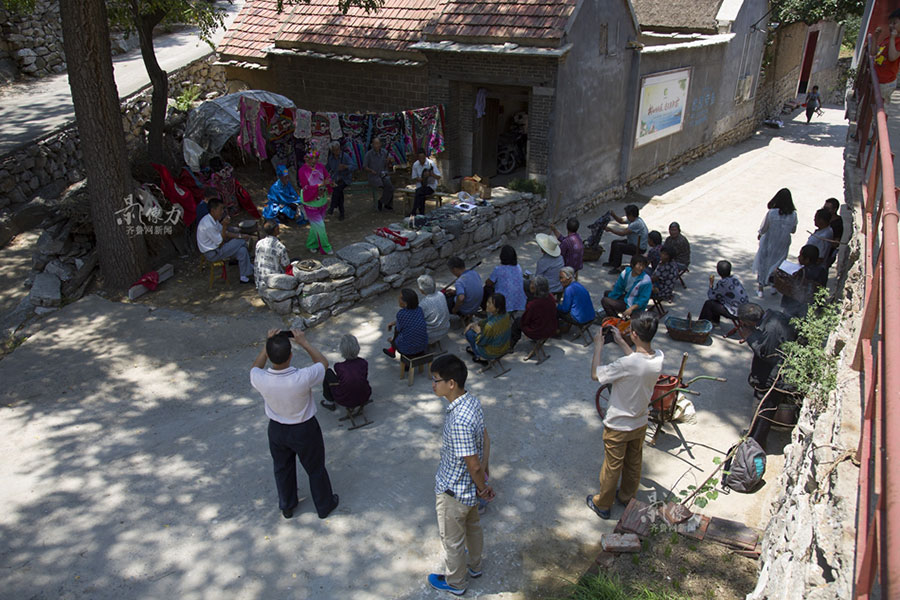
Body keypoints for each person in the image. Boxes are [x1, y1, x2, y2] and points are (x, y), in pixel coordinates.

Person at [250, 329, 339, 519]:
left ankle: (287, 505)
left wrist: (268, 346)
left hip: (276, 429)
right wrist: (304, 343)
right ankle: (324, 505)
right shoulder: (302, 377)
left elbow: (255, 367)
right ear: (291, 356)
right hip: (304, 428)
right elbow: (323, 363)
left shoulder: (261, 378)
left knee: (282, 468)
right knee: (315, 468)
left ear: (270, 355)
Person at [427, 354, 494, 596]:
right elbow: (485, 438)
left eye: (436, 380)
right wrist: (483, 482)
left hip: (453, 491)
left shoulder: (458, 421)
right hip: (471, 490)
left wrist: (483, 487)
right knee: (473, 527)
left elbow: (472, 464)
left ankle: (456, 582)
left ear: (451, 383)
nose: (433, 385)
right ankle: (475, 565)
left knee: (453, 541)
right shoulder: (472, 402)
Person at [586, 314, 664, 519]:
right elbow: (637, 361)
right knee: (633, 461)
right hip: (639, 421)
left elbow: (596, 374)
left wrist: (598, 346)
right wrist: (621, 342)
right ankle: (627, 496)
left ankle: (602, 504)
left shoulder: (625, 364)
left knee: (612, 466)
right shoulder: (658, 358)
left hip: (618, 425)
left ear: (635, 334)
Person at [737, 303, 797, 450]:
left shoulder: (770, 330)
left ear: (750, 322)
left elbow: (768, 355)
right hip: (779, 371)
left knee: (762, 410)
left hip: (774, 378)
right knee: (764, 410)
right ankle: (754, 434)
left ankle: (756, 443)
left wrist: (750, 337)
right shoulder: (774, 316)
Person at [196, 198, 254, 284]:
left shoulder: (212, 220)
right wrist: (225, 226)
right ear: (213, 210)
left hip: (217, 248)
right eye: (221, 209)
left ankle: (243, 277)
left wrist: (240, 235)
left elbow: (226, 233)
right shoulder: (208, 225)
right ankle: (248, 264)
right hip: (213, 253)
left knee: (242, 250)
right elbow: (221, 242)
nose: (222, 211)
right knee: (241, 242)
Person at [753, 188, 798, 297]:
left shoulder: (772, 213)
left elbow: (764, 227)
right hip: (782, 244)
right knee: (778, 265)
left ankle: (760, 288)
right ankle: (774, 286)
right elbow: (793, 230)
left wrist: (760, 234)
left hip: (769, 242)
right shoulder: (793, 215)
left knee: (763, 263)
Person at [320, 334, 371, 413]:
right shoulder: (363, 362)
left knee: (328, 372)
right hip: (365, 395)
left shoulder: (339, 366)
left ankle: (329, 401)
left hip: (345, 399)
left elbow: (341, 380)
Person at [298, 149, 334, 255]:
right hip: (310, 203)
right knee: (320, 225)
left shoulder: (321, 166)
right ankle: (326, 247)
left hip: (322, 201)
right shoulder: (302, 171)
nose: (314, 160)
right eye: (311, 158)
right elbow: (306, 187)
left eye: (316, 158)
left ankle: (311, 244)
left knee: (316, 225)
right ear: (306, 158)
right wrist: (322, 184)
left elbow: (327, 177)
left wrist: (330, 183)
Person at [775, 245, 827, 317]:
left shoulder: (803, 272)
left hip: (796, 304)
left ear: (807, 260)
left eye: (801, 255)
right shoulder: (822, 270)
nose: (798, 257)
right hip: (812, 304)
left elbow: (793, 286)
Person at [464, 294, 512, 365]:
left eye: (490, 303)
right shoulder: (506, 315)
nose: (487, 304)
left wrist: (478, 332)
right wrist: (474, 323)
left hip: (492, 352)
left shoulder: (490, 326)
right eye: (487, 302)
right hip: (504, 346)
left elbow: (481, 341)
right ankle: (475, 351)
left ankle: (480, 356)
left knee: (469, 334)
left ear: (497, 308)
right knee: (475, 330)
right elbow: (487, 320)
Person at [601, 255, 652, 319]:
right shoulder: (626, 273)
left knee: (605, 301)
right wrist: (612, 297)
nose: (641, 268)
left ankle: (615, 319)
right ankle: (612, 315)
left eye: (643, 266)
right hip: (626, 297)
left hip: (633, 303)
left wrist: (630, 309)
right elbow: (618, 288)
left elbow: (643, 300)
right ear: (633, 265)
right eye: (639, 265)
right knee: (607, 294)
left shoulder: (646, 280)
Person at [699, 260, 749, 325]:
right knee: (719, 298)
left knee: (709, 303)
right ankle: (715, 321)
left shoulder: (723, 283)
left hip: (736, 312)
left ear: (718, 272)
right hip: (745, 308)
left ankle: (701, 325)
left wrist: (711, 284)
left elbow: (711, 296)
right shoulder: (734, 278)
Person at [384, 288, 429, 358]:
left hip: (407, 350)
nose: (398, 300)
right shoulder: (419, 310)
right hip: (423, 346)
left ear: (405, 303)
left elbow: (398, 329)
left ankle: (393, 347)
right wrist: (393, 323)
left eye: (400, 298)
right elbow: (409, 321)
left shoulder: (401, 314)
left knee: (397, 331)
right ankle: (393, 346)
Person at [604, 204, 648, 273]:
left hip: (638, 247)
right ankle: (612, 262)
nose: (627, 216)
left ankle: (617, 267)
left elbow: (622, 233)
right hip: (633, 242)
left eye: (627, 215)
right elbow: (621, 221)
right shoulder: (633, 219)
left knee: (618, 247)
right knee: (614, 242)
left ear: (631, 215)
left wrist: (610, 229)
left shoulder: (636, 223)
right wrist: (614, 215)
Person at [519, 275, 558, 353]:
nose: (530, 284)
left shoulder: (532, 305)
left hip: (537, 331)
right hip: (551, 328)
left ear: (535, 288)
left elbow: (524, 321)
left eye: (532, 283)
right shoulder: (551, 297)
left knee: (517, 322)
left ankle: (511, 345)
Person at [484, 245, 527, 314]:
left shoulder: (498, 269)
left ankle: (486, 310)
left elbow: (488, 283)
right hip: (519, 301)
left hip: (504, 303)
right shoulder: (518, 267)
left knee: (486, 289)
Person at [254, 220, 291, 293]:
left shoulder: (259, 243)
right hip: (273, 282)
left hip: (260, 281)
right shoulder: (280, 247)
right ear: (275, 230)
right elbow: (286, 266)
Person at [872, 9, 900, 101]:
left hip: (887, 81)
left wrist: (893, 38)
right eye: (890, 23)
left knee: (881, 106)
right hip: (878, 78)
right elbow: (874, 53)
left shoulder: (896, 41)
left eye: (894, 23)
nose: (891, 25)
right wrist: (875, 37)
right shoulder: (887, 39)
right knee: (873, 105)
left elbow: (892, 57)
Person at [557, 266, 596, 331]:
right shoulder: (578, 285)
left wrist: (556, 305)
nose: (560, 280)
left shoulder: (569, 289)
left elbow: (565, 309)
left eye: (561, 278)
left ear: (569, 278)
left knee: (555, 310)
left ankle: (557, 330)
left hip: (581, 319)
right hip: (591, 316)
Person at [326, 141, 355, 221]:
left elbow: (353, 166)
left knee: (337, 189)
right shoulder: (331, 158)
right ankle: (341, 212)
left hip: (345, 178)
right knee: (338, 191)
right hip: (335, 179)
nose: (337, 151)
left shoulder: (345, 156)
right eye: (335, 150)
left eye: (338, 149)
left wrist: (345, 167)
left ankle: (332, 206)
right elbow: (327, 168)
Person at [418, 274, 451, 345]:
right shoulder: (441, 295)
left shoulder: (423, 304)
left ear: (421, 290)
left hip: (430, 336)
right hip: (445, 329)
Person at [364, 136, 394, 211]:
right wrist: (371, 170)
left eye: (378, 144)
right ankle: (386, 203)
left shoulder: (384, 152)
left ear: (380, 144)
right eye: (375, 144)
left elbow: (392, 160)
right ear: (372, 145)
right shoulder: (368, 154)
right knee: (385, 186)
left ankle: (382, 202)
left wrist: (390, 160)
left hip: (383, 174)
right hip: (374, 176)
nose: (376, 145)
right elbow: (365, 166)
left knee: (389, 186)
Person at [410, 149, 442, 217]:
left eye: (423, 158)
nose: (422, 160)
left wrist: (431, 174)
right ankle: (421, 214)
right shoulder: (415, 165)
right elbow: (414, 177)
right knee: (421, 195)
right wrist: (420, 179)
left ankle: (413, 211)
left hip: (430, 186)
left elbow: (439, 177)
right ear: (418, 158)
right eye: (420, 158)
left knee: (418, 192)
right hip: (420, 186)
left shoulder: (430, 164)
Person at [822, 198, 843, 267]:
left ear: (834, 210)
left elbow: (836, 243)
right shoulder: (826, 218)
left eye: (828, 209)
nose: (825, 210)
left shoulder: (837, 224)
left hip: (828, 254)